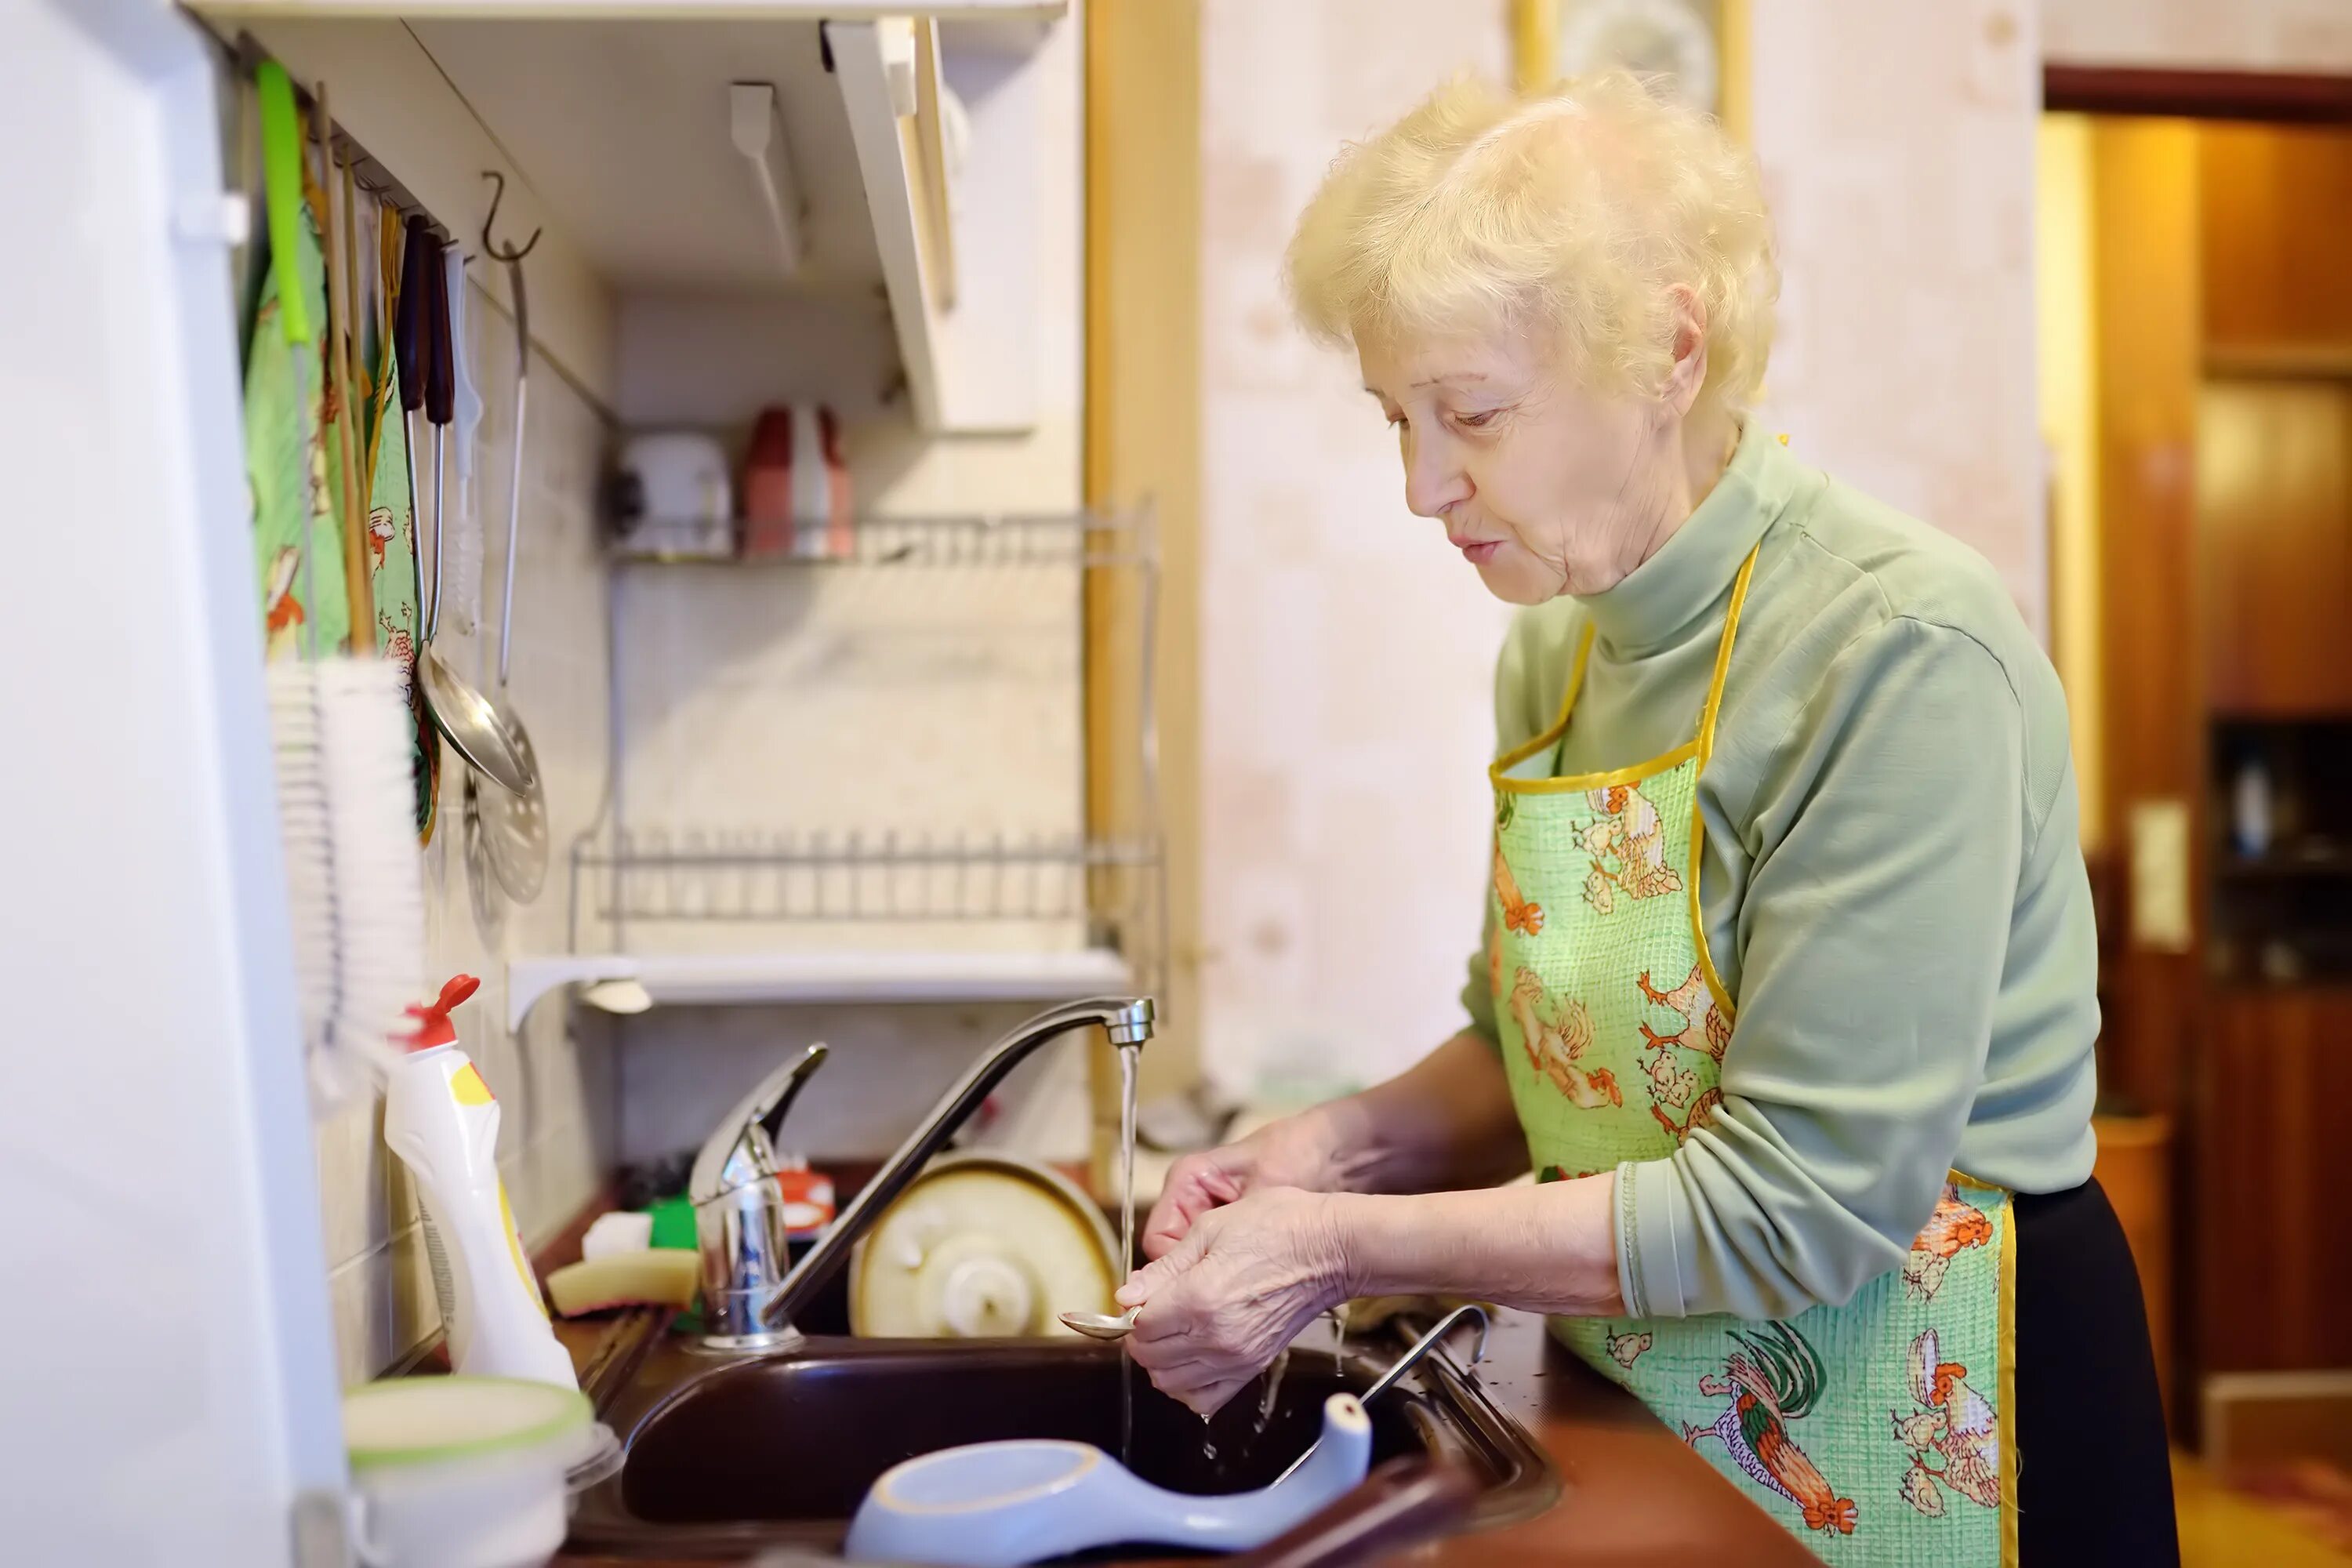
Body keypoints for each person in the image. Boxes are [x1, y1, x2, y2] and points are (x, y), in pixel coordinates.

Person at [1117, 71, 2176, 1566]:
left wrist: (1339, 1248)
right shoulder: (1558, 641)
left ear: (1673, 350)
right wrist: (1332, 1152)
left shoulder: (1899, 648)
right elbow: (1521, 1047)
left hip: (1956, 1420)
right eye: (1396, 417)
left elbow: (1798, 1211)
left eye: (1469, 411)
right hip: (1665, 1404)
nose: (1423, 484)